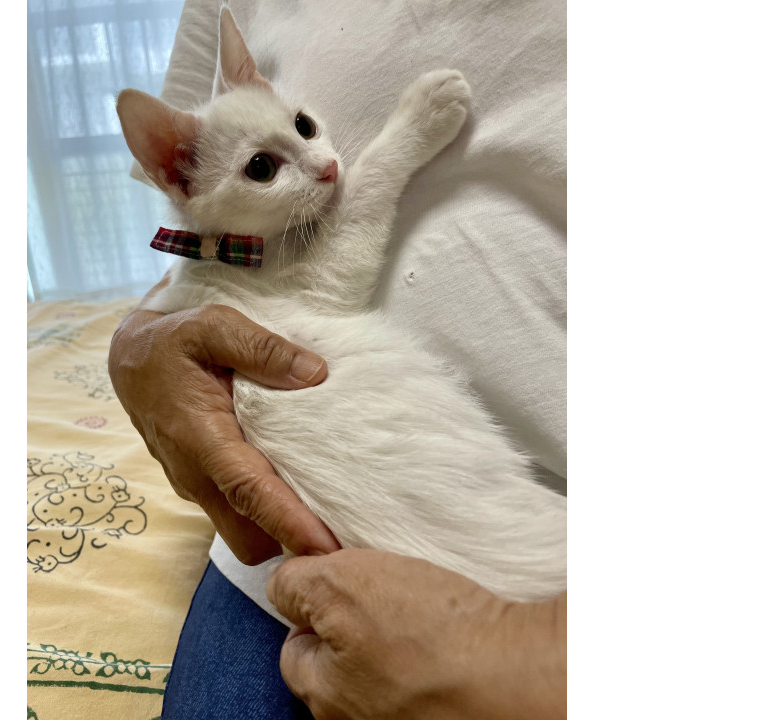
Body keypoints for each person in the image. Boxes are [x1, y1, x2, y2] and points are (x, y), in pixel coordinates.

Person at [110, 1, 566, 717]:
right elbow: (266, 277)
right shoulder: (226, 245)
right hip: (286, 555)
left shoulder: (251, 244)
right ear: (180, 177)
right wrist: (132, 344)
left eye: (303, 126)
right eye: (264, 167)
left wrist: (513, 649)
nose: (324, 165)